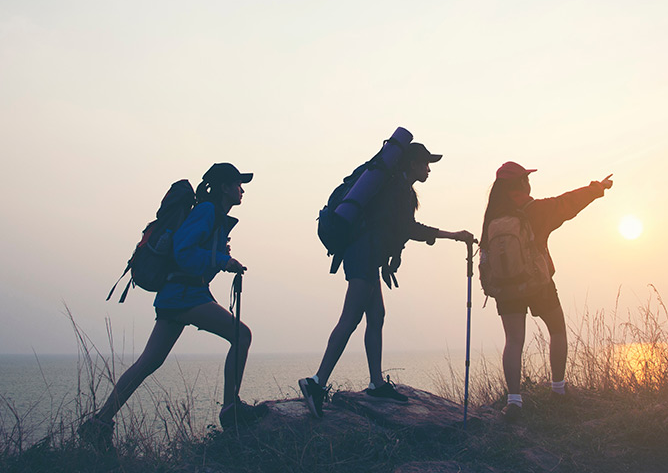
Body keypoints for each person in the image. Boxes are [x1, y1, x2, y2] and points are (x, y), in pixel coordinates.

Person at [80, 163, 266, 448]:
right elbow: (182, 250)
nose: (242, 190)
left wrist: (218, 256)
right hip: (185, 294)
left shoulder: (212, 214)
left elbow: (193, 253)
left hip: (177, 295)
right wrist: (220, 260)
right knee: (242, 335)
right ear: (225, 187)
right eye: (239, 184)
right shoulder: (206, 211)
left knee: (149, 362)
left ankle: (99, 422)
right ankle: (231, 410)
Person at [299, 142, 474, 418]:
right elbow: (408, 229)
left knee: (377, 315)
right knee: (351, 318)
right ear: (412, 164)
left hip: (366, 254)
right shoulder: (397, 191)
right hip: (364, 255)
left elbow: (393, 230)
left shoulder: (398, 189)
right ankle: (316, 383)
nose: (429, 169)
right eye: (425, 163)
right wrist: (452, 235)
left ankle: (376, 383)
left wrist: (393, 257)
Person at [480, 161, 613, 422]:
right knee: (557, 330)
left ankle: (515, 401)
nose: (529, 182)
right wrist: (597, 188)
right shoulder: (535, 210)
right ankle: (558, 389)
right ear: (520, 183)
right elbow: (567, 203)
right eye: (526, 178)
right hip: (538, 283)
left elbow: (486, 254)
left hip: (507, 289)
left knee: (514, 341)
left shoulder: (492, 217)